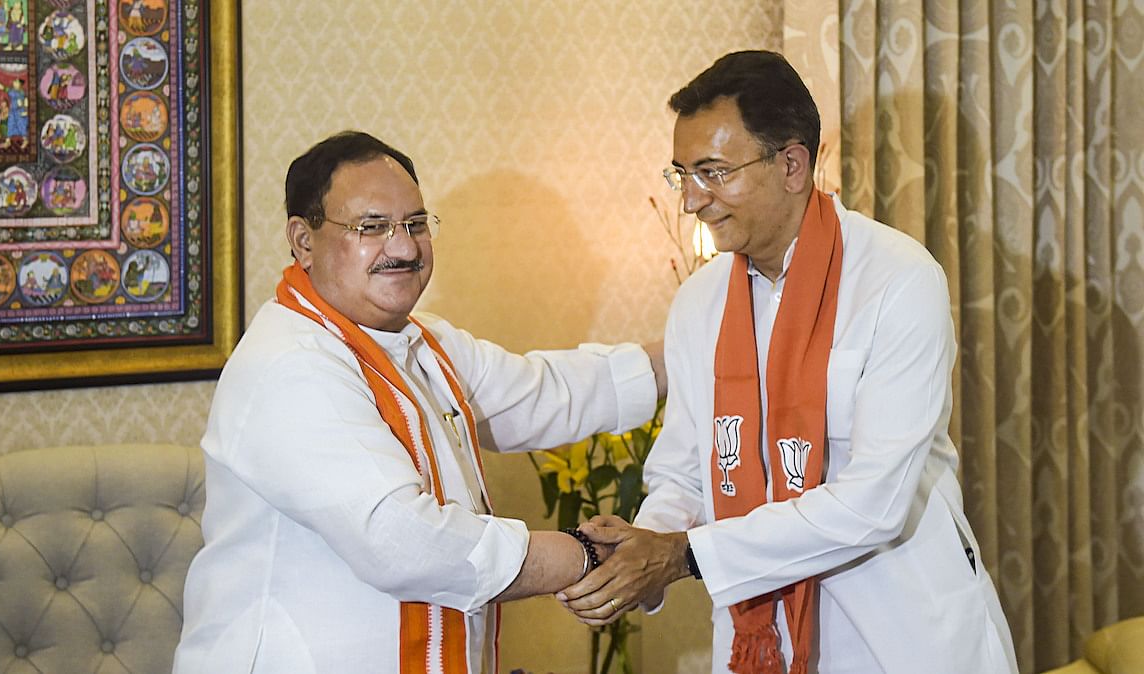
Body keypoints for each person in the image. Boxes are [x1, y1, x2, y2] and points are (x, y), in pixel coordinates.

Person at [557, 51, 1017, 674]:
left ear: (793, 164)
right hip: (757, 633)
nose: (691, 200)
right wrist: (637, 551)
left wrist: (681, 554)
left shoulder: (897, 281)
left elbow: (873, 504)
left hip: (899, 630)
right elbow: (686, 471)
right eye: (682, 174)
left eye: (713, 173)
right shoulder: (701, 301)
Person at [172, 131, 663, 673]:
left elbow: (543, 394)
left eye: (415, 224)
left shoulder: (421, 342)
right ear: (303, 240)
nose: (404, 247)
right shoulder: (291, 364)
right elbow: (402, 539)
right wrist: (586, 555)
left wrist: (695, 349)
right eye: (372, 227)